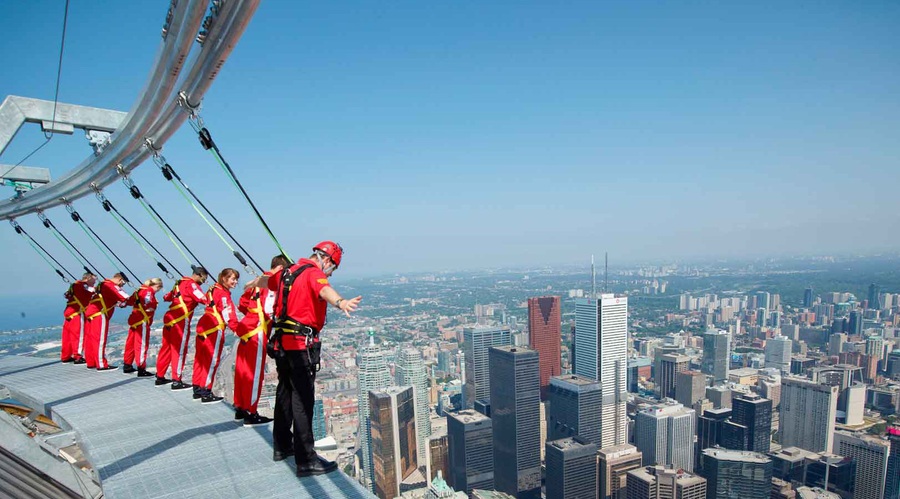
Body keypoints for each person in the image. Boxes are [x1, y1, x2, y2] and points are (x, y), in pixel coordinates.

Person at [262, 241, 361, 477]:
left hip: (282, 343)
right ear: (326, 260)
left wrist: (253, 282)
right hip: (300, 345)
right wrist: (341, 302)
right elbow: (324, 290)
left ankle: (282, 445)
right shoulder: (313, 273)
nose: (331, 272)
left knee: (284, 393)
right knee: (303, 401)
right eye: (333, 268)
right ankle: (306, 460)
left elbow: (267, 281)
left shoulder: (288, 271)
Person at [234, 255, 290, 426]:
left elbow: (242, 303)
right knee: (254, 373)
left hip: (246, 330)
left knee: (243, 371)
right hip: (257, 331)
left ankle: (241, 407)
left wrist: (251, 316)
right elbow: (269, 311)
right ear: (280, 269)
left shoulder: (256, 283)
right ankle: (251, 412)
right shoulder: (270, 285)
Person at [191, 268, 240, 403]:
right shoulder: (224, 295)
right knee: (212, 360)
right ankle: (206, 390)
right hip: (214, 328)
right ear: (224, 279)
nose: (235, 282)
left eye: (236, 279)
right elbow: (228, 313)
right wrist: (236, 328)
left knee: (200, 359)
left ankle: (197, 388)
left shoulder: (213, 289)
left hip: (203, 326)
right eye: (233, 279)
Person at [156, 266, 209, 389]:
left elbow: (168, 297)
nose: (204, 282)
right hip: (180, 321)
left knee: (166, 349)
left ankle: (160, 376)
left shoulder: (179, 282)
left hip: (169, 320)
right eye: (204, 279)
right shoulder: (192, 285)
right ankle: (176, 380)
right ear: (199, 275)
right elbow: (203, 299)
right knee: (179, 351)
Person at [83, 272, 130, 371]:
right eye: (123, 283)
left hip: (91, 313)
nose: (122, 285)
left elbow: (115, 300)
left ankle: (91, 362)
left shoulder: (102, 284)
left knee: (91, 340)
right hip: (99, 314)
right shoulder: (111, 286)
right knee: (100, 340)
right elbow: (125, 297)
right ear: (120, 279)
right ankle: (101, 364)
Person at [123, 277, 163, 376]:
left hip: (135, 319)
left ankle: (127, 364)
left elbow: (129, 301)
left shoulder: (139, 290)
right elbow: (147, 302)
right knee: (141, 344)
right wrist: (151, 308)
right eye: (159, 289)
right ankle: (141, 368)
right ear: (157, 286)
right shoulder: (148, 291)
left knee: (131, 343)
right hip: (142, 320)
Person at [61, 272, 96, 364]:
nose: (95, 282)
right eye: (94, 279)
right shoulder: (83, 286)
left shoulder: (74, 285)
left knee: (67, 336)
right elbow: (93, 290)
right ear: (88, 278)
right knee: (78, 335)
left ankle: (65, 356)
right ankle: (78, 356)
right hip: (77, 313)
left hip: (69, 312)